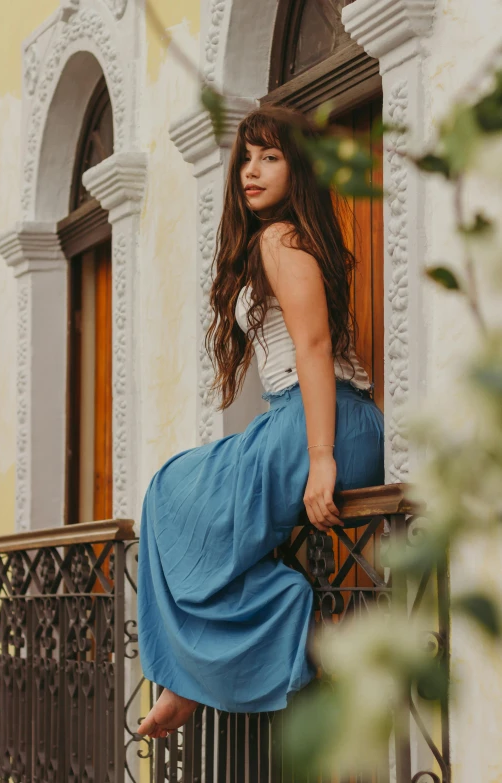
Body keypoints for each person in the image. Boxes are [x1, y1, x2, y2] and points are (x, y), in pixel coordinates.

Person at [136, 104, 384, 740]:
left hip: (314, 425)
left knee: (170, 496)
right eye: (245, 157)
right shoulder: (283, 237)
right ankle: (221, 666)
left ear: (294, 166)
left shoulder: (280, 238)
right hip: (304, 423)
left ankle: (281, 645)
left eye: (270, 156)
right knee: (190, 515)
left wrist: (322, 457)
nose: (251, 170)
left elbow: (315, 348)